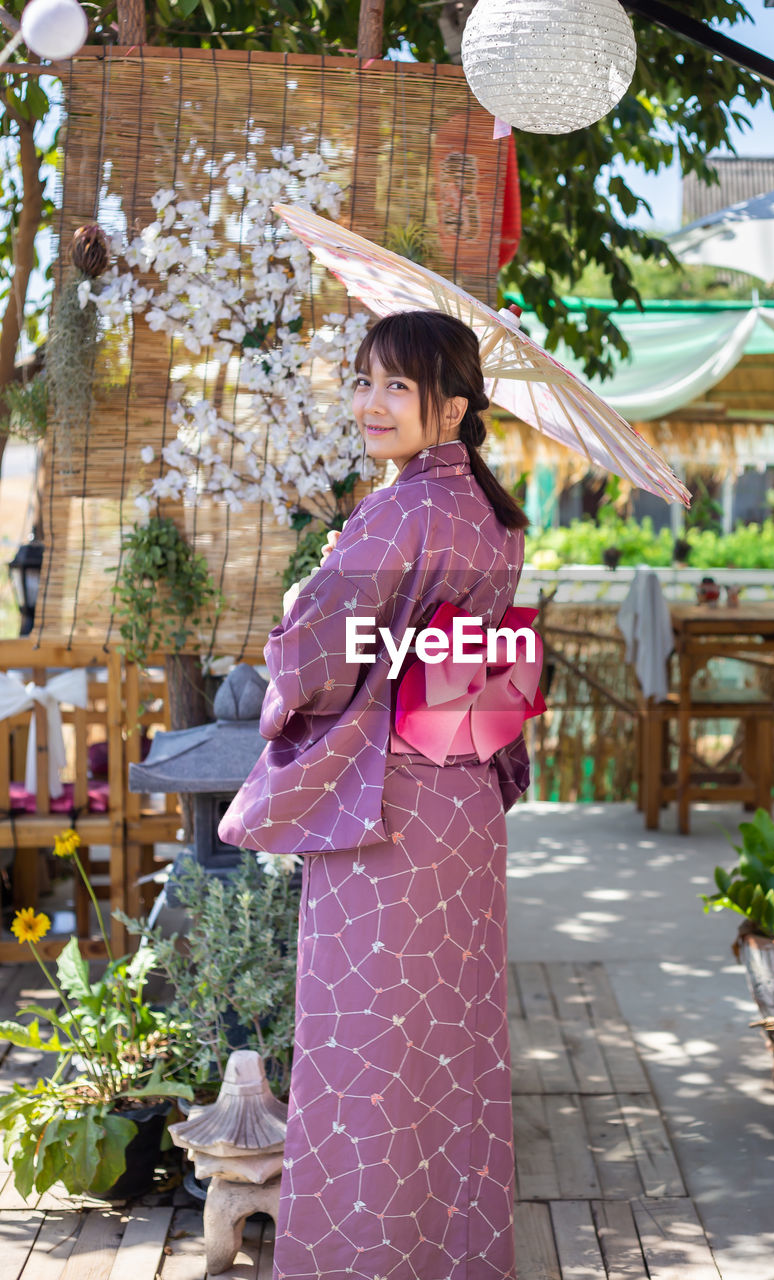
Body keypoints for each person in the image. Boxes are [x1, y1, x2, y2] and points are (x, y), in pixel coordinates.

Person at [218, 308, 542, 1280]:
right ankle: (454, 1255)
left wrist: (293, 618)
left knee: (366, 1062)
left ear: (450, 405)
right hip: (463, 803)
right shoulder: (494, 513)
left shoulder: (398, 510)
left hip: (387, 813)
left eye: (395, 386)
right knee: (447, 1056)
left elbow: (310, 653)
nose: (369, 402)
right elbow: (486, 666)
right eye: (362, 380)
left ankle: (366, 1260)